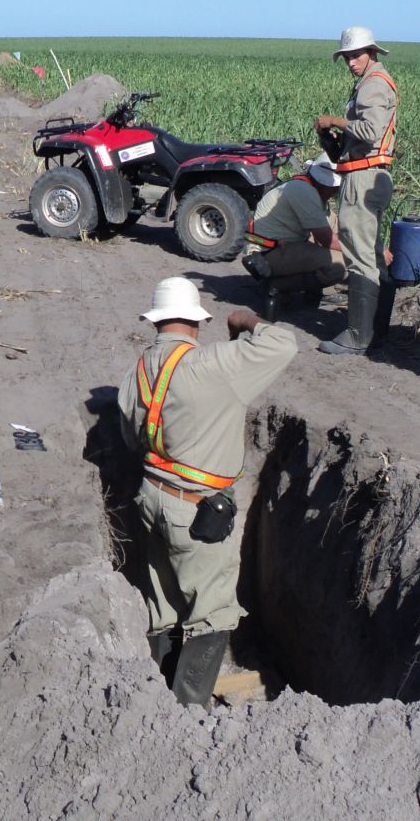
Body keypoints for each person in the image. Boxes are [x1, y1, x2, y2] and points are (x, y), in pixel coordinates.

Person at [119, 278, 297, 707]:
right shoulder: (214, 365)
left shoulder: (138, 369)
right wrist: (246, 320)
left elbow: (130, 439)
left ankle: (160, 694)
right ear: (198, 321)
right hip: (196, 511)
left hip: (151, 498)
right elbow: (284, 343)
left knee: (164, 604)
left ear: (156, 322)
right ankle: (186, 711)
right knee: (213, 612)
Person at [314, 27, 399, 356]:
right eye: (347, 56)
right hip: (366, 173)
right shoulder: (370, 82)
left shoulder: (374, 84)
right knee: (373, 253)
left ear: (372, 53)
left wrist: (335, 120)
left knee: (360, 255)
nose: (351, 61)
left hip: (364, 178)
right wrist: (331, 136)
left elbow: (370, 129)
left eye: (356, 55)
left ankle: (358, 335)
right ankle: (375, 331)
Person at [241, 154, 346, 319]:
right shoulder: (303, 191)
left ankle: (311, 291)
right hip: (265, 254)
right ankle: (277, 286)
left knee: (332, 223)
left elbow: (332, 232)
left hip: (279, 246)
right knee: (341, 265)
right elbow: (327, 240)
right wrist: (366, 251)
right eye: (336, 187)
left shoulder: (309, 189)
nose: (336, 192)